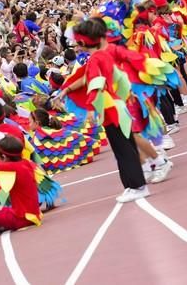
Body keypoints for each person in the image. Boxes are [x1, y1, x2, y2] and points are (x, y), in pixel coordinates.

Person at [60, 18, 148, 202]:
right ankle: (134, 184)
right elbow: (119, 77)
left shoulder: (95, 59)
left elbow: (95, 83)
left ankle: (137, 185)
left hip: (110, 108)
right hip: (117, 104)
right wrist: (127, 93)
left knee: (123, 148)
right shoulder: (104, 55)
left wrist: (92, 108)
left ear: (83, 42)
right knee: (126, 145)